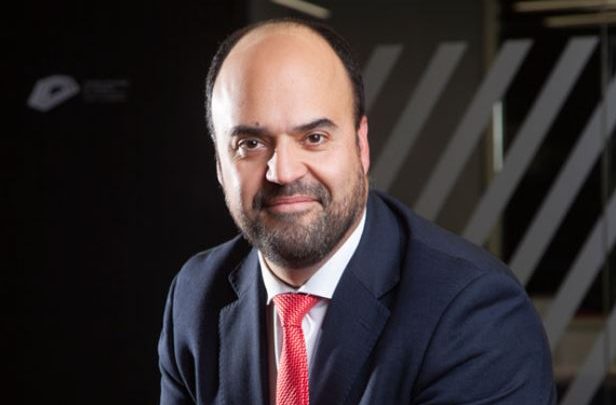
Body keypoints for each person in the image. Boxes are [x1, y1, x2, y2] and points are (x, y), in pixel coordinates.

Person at [158, 17, 556, 405]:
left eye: (314, 137)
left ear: (361, 145)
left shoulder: (474, 311)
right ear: (219, 164)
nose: (283, 172)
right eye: (250, 144)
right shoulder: (196, 296)